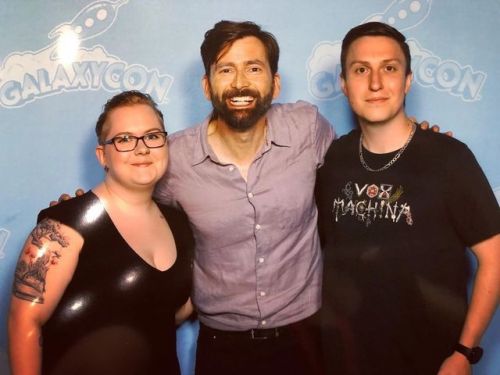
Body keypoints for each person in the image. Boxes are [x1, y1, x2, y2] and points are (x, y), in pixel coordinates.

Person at [316, 22, 500, 375]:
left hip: (430, 363)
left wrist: (464, 352)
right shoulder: (332, 160)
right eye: (360, 70)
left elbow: (494, 257)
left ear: (408, 80)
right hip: (345, 360)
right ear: (344, 84)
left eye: (389, 68)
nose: (375, 83)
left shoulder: (449, 158)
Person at [153, 20, 333, 375]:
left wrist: (414, 146)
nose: (239, 83)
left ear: (274, 82)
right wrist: (81, 215)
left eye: (253, 68)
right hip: (223, 346)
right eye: (226, 69)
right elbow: (132, 215)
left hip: (306, 335)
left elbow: (359, 168)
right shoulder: (174, 159)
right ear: (206, 86)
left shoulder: (308, 128)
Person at [8, 91, 194, 375]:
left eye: (152, 136)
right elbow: (24, 322)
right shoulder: (63, 226)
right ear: (102, 155)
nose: (141, 148)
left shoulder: (180, 223)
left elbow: (169, 312)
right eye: (124, 139)